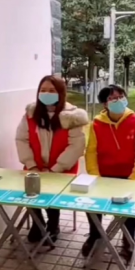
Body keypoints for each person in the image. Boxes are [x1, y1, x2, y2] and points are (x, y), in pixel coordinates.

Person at [83, 84, 135, 262]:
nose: (118, 100)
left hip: (131, 176)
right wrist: (95, 176)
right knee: (91, 203)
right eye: (112, 98)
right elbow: (91, 152)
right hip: (104, 175)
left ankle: (128, 241)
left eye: (121, 96)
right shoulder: (96, 124)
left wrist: (134, 179)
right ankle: (95, 236)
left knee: (130, 209)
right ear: (105, 104)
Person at [16, 75, 88, 244]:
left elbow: (76, 146)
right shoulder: (31, 114)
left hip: (62, 168)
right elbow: (21, 139)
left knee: (52, 196)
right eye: (43, 90)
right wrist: (31, 164)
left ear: (60, 93)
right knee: (31, 193)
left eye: (51, 90)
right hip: (35, 166)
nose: (46, 93)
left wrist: (56, 168)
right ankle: (38, 223)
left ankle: (53, 225)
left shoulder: (72, 116)